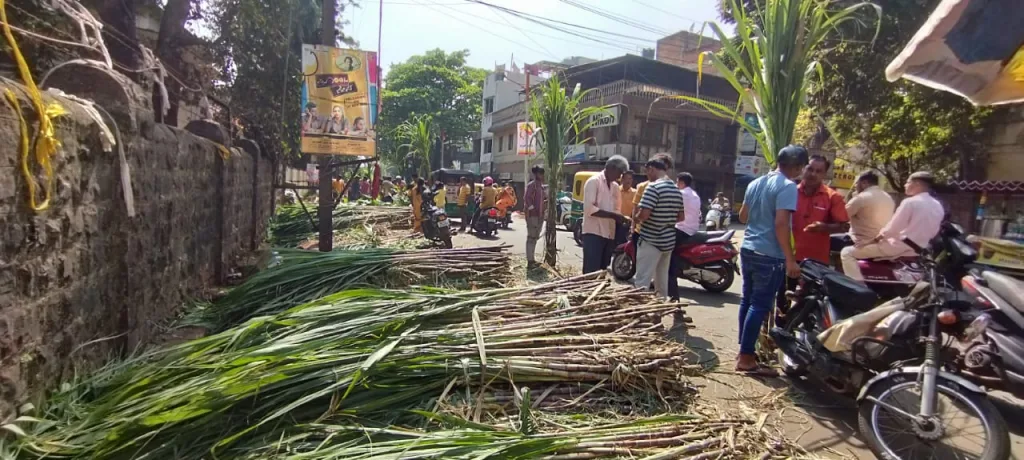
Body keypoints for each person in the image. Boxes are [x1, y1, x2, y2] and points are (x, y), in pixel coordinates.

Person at [736, 145, 808, 376]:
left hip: (748, 248)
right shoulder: (788, 187)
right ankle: (746, 358)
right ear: (796, 166)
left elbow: (742, 216)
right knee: (759, 305)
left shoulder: (755, 183)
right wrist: (790, 260)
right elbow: (780, 224)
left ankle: (744, 350)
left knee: (747, 301)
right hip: (769, 254)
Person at [841, 171, 944, 281]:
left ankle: (857, 286)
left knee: (847, 253)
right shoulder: (937, 205)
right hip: (919, 249)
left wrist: (875, 239)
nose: (905, 185)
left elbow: (893, 228)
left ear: (917, 184)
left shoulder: (910, 202)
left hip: (896, 247)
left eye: (907, 182)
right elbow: (934, 232)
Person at [778, 155, 850, 311]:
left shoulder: (833, 197)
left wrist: (824, 227)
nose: (813, 174)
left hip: (816, 262)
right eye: (810, 169)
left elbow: (844, 226)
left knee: (809, 305)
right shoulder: (790, 191)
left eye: (819, 171)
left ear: (824, 174)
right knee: (782, 302)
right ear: (803, 168)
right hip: (790, 258)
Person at [634, 157, 685, 297]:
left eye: (647, 172)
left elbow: (644, 215)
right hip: (668, 242)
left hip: (651, 240)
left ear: (651, 169)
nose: (647, 176)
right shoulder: (676, 189)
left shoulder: (653, 187)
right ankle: (659, 310)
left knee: (642, 280)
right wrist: (665, 219)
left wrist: (636, 217)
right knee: (662, 281)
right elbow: (681, 217)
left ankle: (639, 311)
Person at [582, 156, 628, 273]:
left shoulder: (615, 187)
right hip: (593, 233)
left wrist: (622, 218)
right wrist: (613, 216)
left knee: (602, 270)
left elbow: (617, 209)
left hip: (609, 234)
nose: (620, 177)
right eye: (619, 173)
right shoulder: (594, 181)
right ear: (611, 168)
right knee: (591, 271)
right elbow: (589, 209)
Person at [668, 172, 701, 301]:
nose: (676, 185)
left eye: (677, 182)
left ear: (681, 182)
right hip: (692, 230)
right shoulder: (694, 195)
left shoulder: (681, 194)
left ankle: (673, 295)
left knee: (668, 259)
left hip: (682, 229)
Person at [843, 171, 895, 248]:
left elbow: (841, 216)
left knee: (828, 240)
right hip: (881, 242)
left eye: (857, 183)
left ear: (864, 183)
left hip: (859, 241)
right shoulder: (888, 197)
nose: (855, 186)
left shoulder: (861, 198)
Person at [630, 153, 672, 246]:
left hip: (663, 237)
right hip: (642, 233)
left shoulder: (672, 188)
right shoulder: (642, 187)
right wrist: (633, 226)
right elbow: (635, 208)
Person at [524, 165, 546, 265]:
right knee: (531, 237)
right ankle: (530, 260)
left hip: (540, 215)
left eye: (542, 173)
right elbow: (527, 198)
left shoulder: (541, 186)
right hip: (533, 215)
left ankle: (532, 258)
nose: (541, 175)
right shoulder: (532, 185)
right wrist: (532, 209)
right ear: (536, 174)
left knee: (535, 236)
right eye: (540, 173)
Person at [617, 172, 636, 245]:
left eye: (630, 179)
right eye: (627, 178)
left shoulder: (635, 193)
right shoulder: (616, 190)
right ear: (622, 179)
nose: (629, 181)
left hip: (627, 223)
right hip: (615, 220)